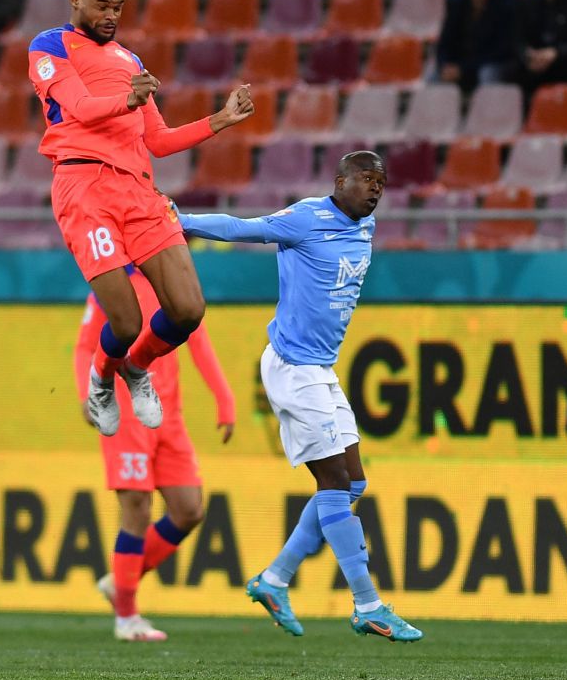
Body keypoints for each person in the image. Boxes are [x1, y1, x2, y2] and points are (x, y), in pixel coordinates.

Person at [178, 151, 423, 643]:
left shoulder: (365, 229)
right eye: (367, 180)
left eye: (382, 182)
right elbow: (239, 227)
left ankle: (274, 581)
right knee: (334, 482)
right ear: (341, 181)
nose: (376, 190)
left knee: (352, 484)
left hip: (320, 369)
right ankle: (368, 604)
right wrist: (177, 221)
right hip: (294, 367)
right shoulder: (308, 218)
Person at [27, 0, 254, 440]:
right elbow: (83, 109)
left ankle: (135, 368)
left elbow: (159, 140)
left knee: (189, 309)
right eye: (103, 4)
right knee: (126, 320)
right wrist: (126, 101)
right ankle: (101, 378)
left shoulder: (131, 62)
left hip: (138, 189)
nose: (112, 14)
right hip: (84, 188)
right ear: (75, 0)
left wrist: (219, 120)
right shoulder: (49, 46)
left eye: (120, 5)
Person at [75, 265, 235, 642]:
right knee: (137, 509)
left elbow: (199, 341)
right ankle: (127, 617)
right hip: (127, 409)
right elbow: (85, 345)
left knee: (189, 509)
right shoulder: (113, 282)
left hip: (169, 414)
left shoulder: (173, 278)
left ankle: (121, 582)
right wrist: (87, 393)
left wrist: (224, 399)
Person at [434, 0, 521, 93]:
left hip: (496, 62)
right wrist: (444, 65)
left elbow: (503, 49)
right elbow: (445, 40)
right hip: (465, 62)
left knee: (487, 74)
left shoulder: (507, 3)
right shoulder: (456, 2)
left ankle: (489, 114)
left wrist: (463, 68)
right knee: (434, 76)